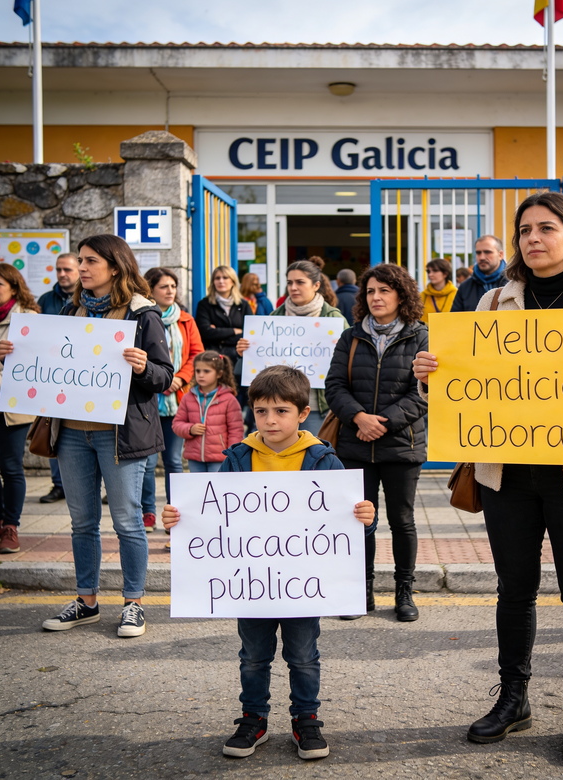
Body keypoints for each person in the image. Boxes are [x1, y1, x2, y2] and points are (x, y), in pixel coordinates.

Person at [413, 191, 563, 764]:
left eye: (546, 228)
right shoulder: (494, 303)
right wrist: (431, 378)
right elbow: (462, 386)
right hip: (509, 474)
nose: (532, 238)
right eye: (524, 229)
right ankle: (514, 699)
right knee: (514, 590)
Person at [161, 365, 376, 761]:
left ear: (302, 414)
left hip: (301, 585)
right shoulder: (239, 458)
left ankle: (306, 720)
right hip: (251, 584)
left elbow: (346, 530)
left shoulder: (323, 461)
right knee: (253, 656)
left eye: (280, 411)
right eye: (261, 411)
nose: (270, 419)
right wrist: (179, 520)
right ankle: (253, 719)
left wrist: (365, 518)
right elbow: (213, 517)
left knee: (304, 656)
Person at [0, 234, 175, 637]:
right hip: (73, 435)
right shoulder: (69, 310)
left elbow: (164, 378)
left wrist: (143, 367)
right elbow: (47, 365)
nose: (82, 267)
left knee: (128, 522)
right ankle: (87, 601)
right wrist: (13, 357)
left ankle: (133, 604)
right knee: (82, 522)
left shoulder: (142, 315)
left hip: (121, 437)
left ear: (115, 266)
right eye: (80, 260)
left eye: (91, 260)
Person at [325, 264, 428, 622]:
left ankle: (404, 592)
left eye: (384, 290)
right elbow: (335, 386)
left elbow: (425, 394)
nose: (376, 297)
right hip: (355, 445)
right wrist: (358, 418)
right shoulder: (351, 337)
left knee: (402, 521)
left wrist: (382, 423)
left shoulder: (421, 337)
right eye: (370, 291)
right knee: (359, 522)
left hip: (402, 444)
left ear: (401, 295)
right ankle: (360, 592)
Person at [237, 260, 348, 436]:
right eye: (289, 282)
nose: (293, 287)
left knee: (312, 458)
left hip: (316, 406)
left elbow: (350, 363)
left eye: (300, 282)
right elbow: (262, 362)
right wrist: (245, 352)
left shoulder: (334, 320)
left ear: (316, 285)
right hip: (278, 404)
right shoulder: (275, 317)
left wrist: (342, 350)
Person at [0, 265, 39, 554]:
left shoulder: (29, 318)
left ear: (14, 287)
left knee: (11, 467)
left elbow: (33, 359)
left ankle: (11, 526)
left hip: (12, 406)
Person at [138, 267, 204, 533]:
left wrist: (179, 379)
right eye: (164, 287)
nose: (170, 291)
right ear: (150, 290)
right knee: (148, 463)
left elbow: (196, 354)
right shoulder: (140, 317)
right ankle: (148, 512)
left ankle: (174, 514)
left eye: (173, 287)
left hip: (177, 399)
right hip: (147, 400)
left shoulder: (186, 319)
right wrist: (155, 379)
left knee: (174, 462)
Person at [36, 252, 80, 504]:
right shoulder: (45, 300)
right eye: (59, 270)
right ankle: (58, 485)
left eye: (68, 270)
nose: (62, 274)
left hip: (84, 377)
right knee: (52, 429)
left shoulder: (87, 300)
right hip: (53, 376)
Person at [172, 351, 244, 473]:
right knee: (198, 490)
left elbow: (236, 430)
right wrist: (190, 429)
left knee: (217, 490)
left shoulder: (229, 399)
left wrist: (232, 455)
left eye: (206, 371)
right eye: (198, 371)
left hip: (220, 458)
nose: (201, 375)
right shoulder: (187, 397)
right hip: (194, 457)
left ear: (219, 374)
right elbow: (177, 424)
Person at [195, 265, 250, 365]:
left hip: (239, 359)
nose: (221, 281)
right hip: (213, 359)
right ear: (213, 282)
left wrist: (219, 336)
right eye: (217, 278)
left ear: (232, 281)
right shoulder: (204, 304)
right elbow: (205, 332)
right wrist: (234, 330)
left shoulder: (243, 305)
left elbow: (249, 334)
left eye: (225, 277)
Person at [450, 235, 506, 312]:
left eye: (487, 252)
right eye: (478, 253)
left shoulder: (516, 283)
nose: (482, 257)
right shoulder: (465, 288)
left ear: (500, 255)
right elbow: (455, 320)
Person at [420, 257, 457, 322]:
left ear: (445, 274)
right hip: (426, 331)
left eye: (435, 271)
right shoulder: (423, 295)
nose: (430, 274)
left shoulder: (456, 294)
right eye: (428, 271)